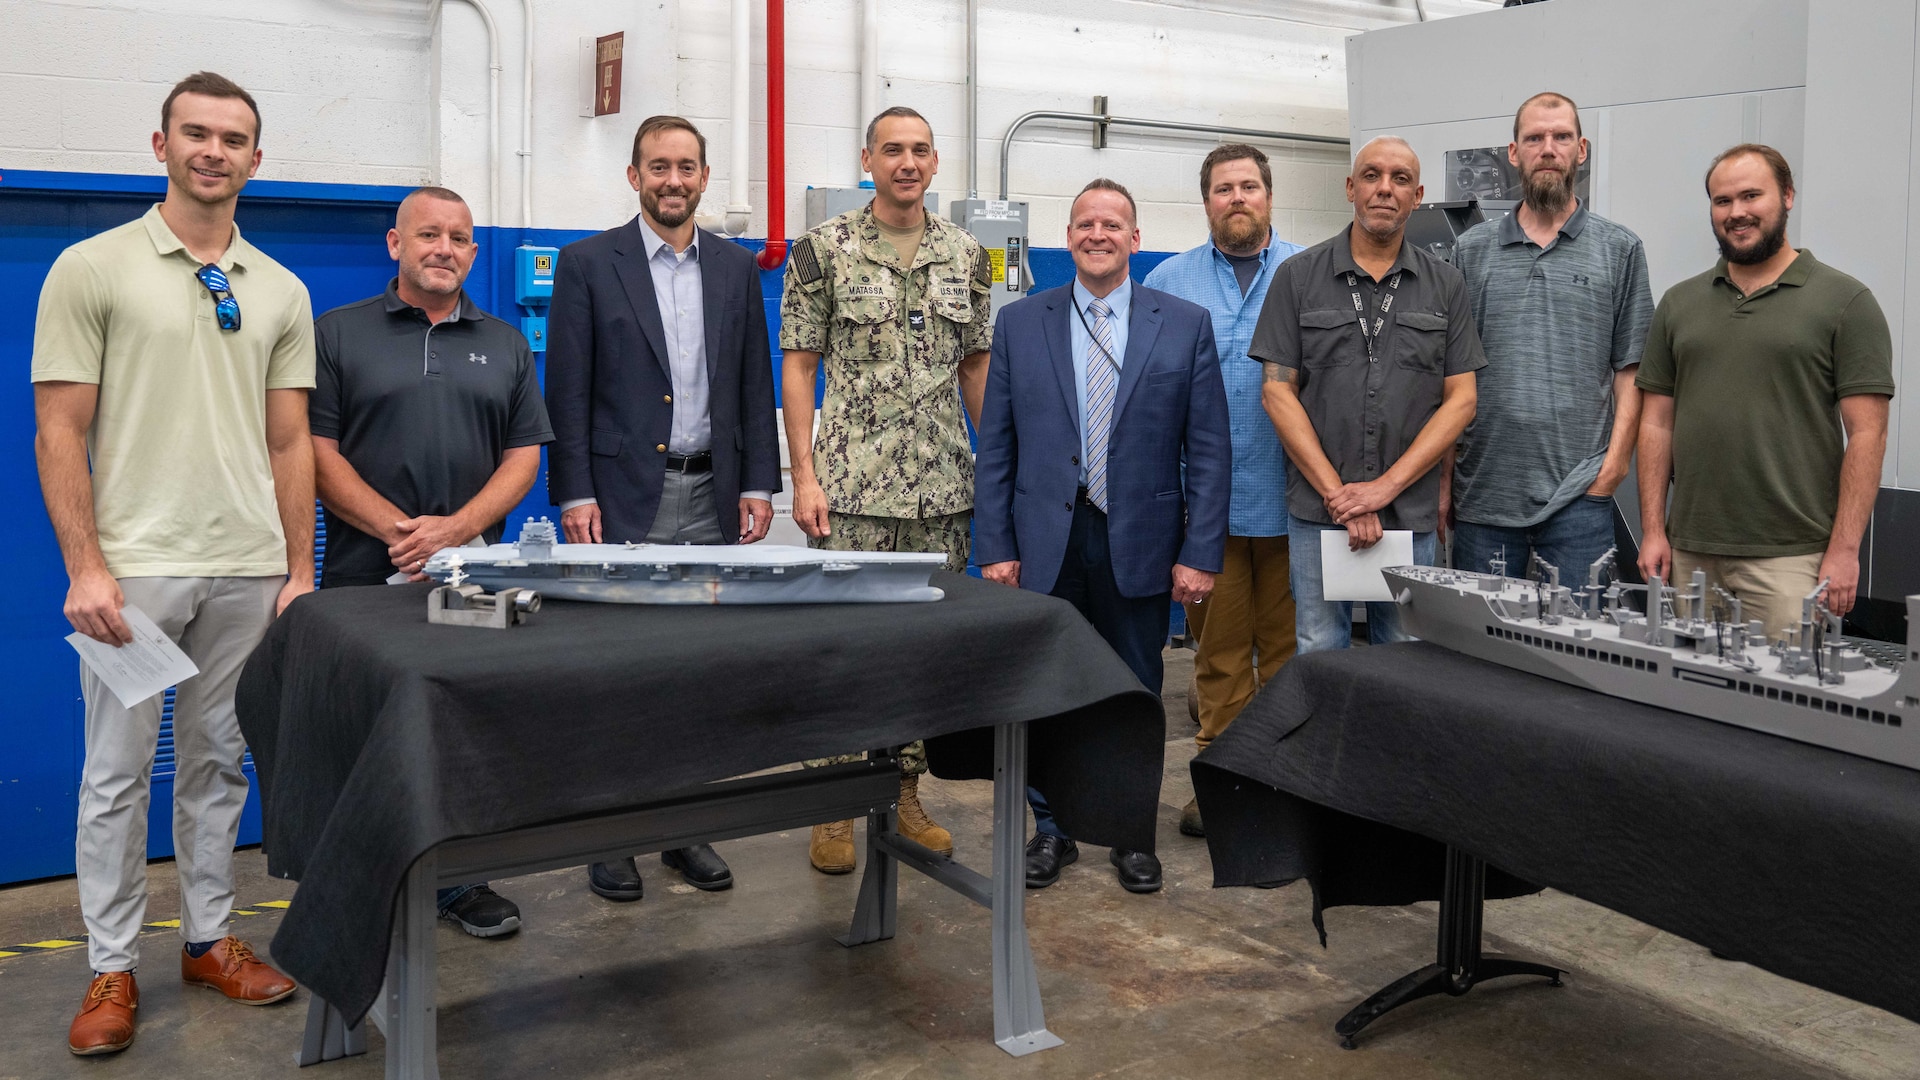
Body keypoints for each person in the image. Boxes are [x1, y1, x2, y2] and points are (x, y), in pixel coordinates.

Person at [33, 71, 308, 1056]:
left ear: (255, 159)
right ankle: (110, 964)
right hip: (134, 572)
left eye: (233, 138)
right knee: (114, 774)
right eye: (196, 133)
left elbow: (288, 443)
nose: (214, 151)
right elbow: (59, 426)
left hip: (246, 569)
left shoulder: (281, 288)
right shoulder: (91, 267)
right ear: (161, 146)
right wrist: (85, 566)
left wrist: (296, 569)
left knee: (216, 766)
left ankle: (207, 938)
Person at [546, 115, 781, 900]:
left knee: (700, 675)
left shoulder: (736, 269)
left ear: (705, 177)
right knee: (615, 673)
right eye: (658, 166)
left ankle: (686, 828)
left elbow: (753, 381)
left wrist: (759, 482)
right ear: (634, 175)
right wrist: (574, 490)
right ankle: (611, 835)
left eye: (686, 166)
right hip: (618, 499)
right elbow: (567, 389)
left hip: (711, 495)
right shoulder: (587, 264)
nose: (673, 180)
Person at [975, 178, 1231, 894]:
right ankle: (1051, 830)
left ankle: (1128, 832)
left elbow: (1208, 448)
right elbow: (997, 446)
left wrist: (1199, 552)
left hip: (1140, 540)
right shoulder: (1022, 323)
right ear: (1069, 236)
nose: (1098, 234)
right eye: (1085, 223)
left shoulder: (1182, 323)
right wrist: (995, 545)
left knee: (1133, 692)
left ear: (1135, 239)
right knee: (1047, 689)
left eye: (1112, 224)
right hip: (1044, 538)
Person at [310, 185, 553, 937]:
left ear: (474, 252)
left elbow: (521, 458)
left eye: (457, 237)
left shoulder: (506, 343)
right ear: (396, 245)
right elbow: (314, 454)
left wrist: (454, 532)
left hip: (477, 576)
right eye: (428, 235)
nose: (443, 248)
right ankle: (360, 885)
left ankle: (460, 882)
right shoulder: (337, 334)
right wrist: (401, 532)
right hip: (363, 577)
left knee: (463, 729)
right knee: (362, 733)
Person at [779, 106, 991, 874]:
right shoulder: (822, 249)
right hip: (851, 487)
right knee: (838, 646)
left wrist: (992, 470)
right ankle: (831, 800)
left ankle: (902, 790)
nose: (907, 162)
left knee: (920, 654)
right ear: (866, 158)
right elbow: (799, 363)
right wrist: (803, 475)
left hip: (941, 489)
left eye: (920, 151)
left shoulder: (969, 255)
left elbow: (975, 367)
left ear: (936, 163)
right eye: (892, 150)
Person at [1636, 144, 1894, 636]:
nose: (1737, 212)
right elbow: (1655, 421)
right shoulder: (1679, 304)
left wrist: (1843, 550)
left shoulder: (1846, 303)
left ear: (1788, 196)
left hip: (1792, 560)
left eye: (1752, 195)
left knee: (1785, 703)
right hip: (1690, 554)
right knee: (1686, 703)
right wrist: (1653, 529)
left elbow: (1868, 435)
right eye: (1722, 201)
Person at [1249, 136, 1484, 652]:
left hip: (1409, 516)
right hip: (1318, 512)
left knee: (1405, 660)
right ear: (1350, 188)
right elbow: (1277, 394)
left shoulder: (1445, 285)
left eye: (1400, 179)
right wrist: (1343, 497)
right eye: (1372, 176)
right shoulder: (1297, 277)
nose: (1385, 188)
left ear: (1417, 195)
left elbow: (1462, 399)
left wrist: (1383, 490)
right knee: (1318, 649)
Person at [1140, 144, 1303, 838]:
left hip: (1298, 500)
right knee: (1220, 654)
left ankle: (1289, 782)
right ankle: (1222, 781)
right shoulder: (1170, 282)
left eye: (1249, 186)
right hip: (1207, 509)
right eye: (1222, 189)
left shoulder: (1310, 273)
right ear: (1206, 202)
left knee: (1295, 653)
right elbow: (1148, 397)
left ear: (1269, 195)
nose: (1237, 198)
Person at [1449, 92, 1653, 582]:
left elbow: (1633, 371)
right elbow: (1450, 377)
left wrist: (1614, 469)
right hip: (1483, 497)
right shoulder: (1470, 252)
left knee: (1578, 651)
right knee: (1481, 654)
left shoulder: (1619, 249)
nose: (1548, 148)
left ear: (1580, 150)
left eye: (1561, 137)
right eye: (1534, 138)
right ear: (1513, 153)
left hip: (1580, 497)